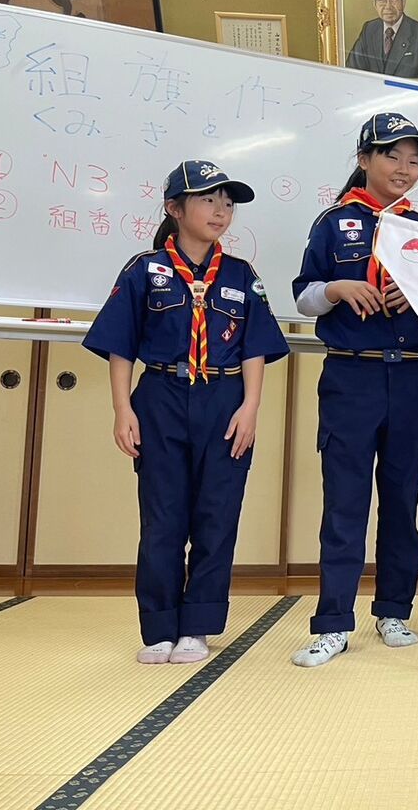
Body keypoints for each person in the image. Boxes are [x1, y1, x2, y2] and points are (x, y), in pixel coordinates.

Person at [84, 160, 288, 665]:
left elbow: (255, 347)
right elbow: (120, 345)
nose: (220, 211)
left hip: (225, 400)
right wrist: (122, 409)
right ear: (174, 209)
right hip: (161, 397)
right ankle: (159, 625)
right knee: (163, 517)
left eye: (227, 202)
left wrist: (251, 407)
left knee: (217, 516)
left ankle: (197, 625)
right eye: (208, 200)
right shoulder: (144, 269)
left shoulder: (241, 275)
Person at [290, 112, 418, 667]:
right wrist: (337, 287)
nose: (404, 168)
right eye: (391, 156)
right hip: (351, 377)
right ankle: (332, 623)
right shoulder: (333, 222)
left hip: (412, 378)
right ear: (363, 159)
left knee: (402, 501)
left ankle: (394, 610)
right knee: (345, 503)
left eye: (413, 160)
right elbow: (303, 296)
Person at [345, 0, 418, 80]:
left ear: (403, 2)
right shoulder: (369, 29)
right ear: (375, 4)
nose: (388, 6)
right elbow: (352, 72)